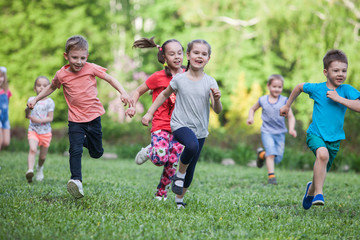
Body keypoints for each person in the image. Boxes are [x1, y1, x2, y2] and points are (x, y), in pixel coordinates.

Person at [27, 35, 133, 198]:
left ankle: (83, 142)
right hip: (75, 120)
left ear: (87, 57)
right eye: (74, 57)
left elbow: (110, 78)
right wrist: (36, 99)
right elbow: (51, 87)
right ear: (66, 56)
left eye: (82, 58)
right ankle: (76, 181)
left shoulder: (91, 68)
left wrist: (123, 92)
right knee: (74, 150)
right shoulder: (62, 74)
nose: (78, 61)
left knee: (97, 153)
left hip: (93, 117)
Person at [142, 39, 222, 209]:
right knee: (191, 146)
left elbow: (217, 110)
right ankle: (179, 174)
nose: (199, 56)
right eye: (196, 53)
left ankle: (179, 200)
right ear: (188, 55)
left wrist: (216, 99)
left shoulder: (210, 82)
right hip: (179, 125)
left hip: (200, 129)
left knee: (191, 168)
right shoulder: (180, 79)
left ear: (208, 58)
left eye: (204, 54)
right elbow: (163, 95)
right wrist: (149, 113)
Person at [280, 49, 360, 209]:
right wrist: (287, 105)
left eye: (344, 70)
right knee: (322, 154)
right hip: (315, 134)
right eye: (336, 70)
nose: (340, 74)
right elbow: (299, 87)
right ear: (326, 72)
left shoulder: (346, 90)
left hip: (335, 140)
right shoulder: (317, 88)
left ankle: (311, 190)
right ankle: (319, 194)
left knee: (320, 173)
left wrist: (340, 99)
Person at [126, 37, 185, 201]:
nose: (177, 57)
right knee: (160, 158)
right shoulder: (158, 77)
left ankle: (161, 194)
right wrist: (132, 106)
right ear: (165, 58)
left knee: (172, 163)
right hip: (160, 124)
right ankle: (150, 151)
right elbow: (138, 91)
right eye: (172, 54)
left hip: (181, 126)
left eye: (180, 53)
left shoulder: (188, 75)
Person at [247, 74, 297, 185]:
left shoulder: (285, 101)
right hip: (267, 131)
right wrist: (250, 118)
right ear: (268, 86)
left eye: (279, 87)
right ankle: (271, 177)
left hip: (280, 133)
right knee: (271, 153)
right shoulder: (263, 100)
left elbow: (291, 116)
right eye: (274, 86)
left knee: (277, 158)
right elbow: (252, 109)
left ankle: (261, 155)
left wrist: (292, 129)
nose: (277, 89)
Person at [25, 76, 55, 183]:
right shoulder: (31, 100)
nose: (41, 88)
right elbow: (27, 115)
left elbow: (50, 118)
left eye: (44, 86)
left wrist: (37, 120)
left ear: (49, 89)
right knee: (33, 149)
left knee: (42, 156)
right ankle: (30, 170)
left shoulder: (50, 102)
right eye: (38, 85)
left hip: (46, 133)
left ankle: (39, 168)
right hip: (33, 130)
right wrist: (28, 109)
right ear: (35, 88)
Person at [0, 66, 12, 151]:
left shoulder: (6, 91)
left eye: (1, 76)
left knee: (6, 142)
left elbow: (7, 104)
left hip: (5, 119)